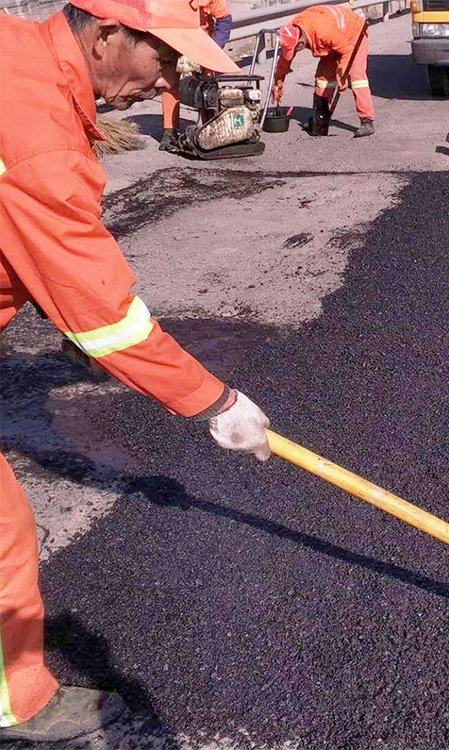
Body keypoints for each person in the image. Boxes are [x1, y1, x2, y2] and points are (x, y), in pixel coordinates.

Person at [0, 0, 271, 741]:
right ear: (107, 34)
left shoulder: (16, 55)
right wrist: (215, 401)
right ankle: (15, 707)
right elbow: (103, 314)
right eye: (165, 57)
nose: (170, 78)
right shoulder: (40, 139)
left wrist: (74, 318)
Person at [272, 4, 375, 138]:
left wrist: (342, 75)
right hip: (333, 39)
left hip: (354, 34)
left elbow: (347, 50)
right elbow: (284, 63)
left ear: (301, 42)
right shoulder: (290, 31)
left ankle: (367, 120)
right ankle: (320, 121)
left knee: (356, 77)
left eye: (295, 49)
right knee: (322, 79)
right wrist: (278, 85)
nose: (294, 52)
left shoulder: (322, 30)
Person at [160, 0, 234, 152]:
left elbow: (225, 20)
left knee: (206, 86)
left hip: (203, 44)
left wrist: (213, 47)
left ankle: (211, 127)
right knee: (169, 85)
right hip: (175, 41)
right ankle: (169, 132)